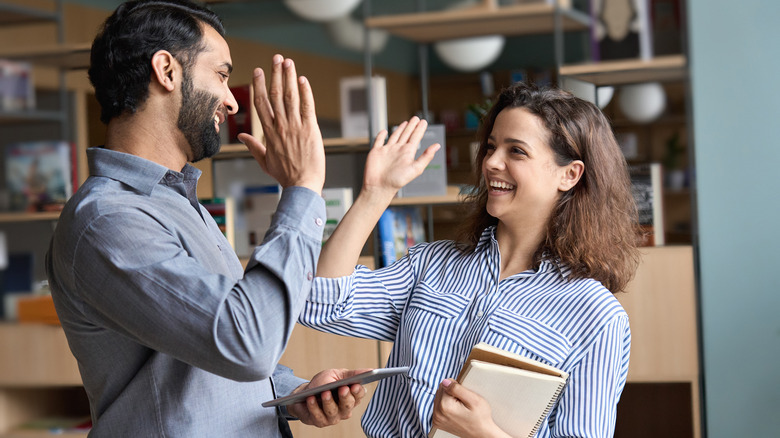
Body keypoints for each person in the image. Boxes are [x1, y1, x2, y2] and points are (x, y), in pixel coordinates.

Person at [46, 1, 369, 436]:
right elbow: (246, 343)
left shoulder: (179, 203)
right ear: (167, 70)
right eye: (220, 74)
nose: (231, 102)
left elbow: (210, 348)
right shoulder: (107, 221)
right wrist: (302, 188)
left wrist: (293, 392)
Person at [299, 83, 642, 437]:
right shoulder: (431, 265)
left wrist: (485, 434)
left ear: (569, 175)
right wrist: (376, 193)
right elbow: (320, 303)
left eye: (517, 152)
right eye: (492, 146)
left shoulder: (596, 316)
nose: (491, 162)